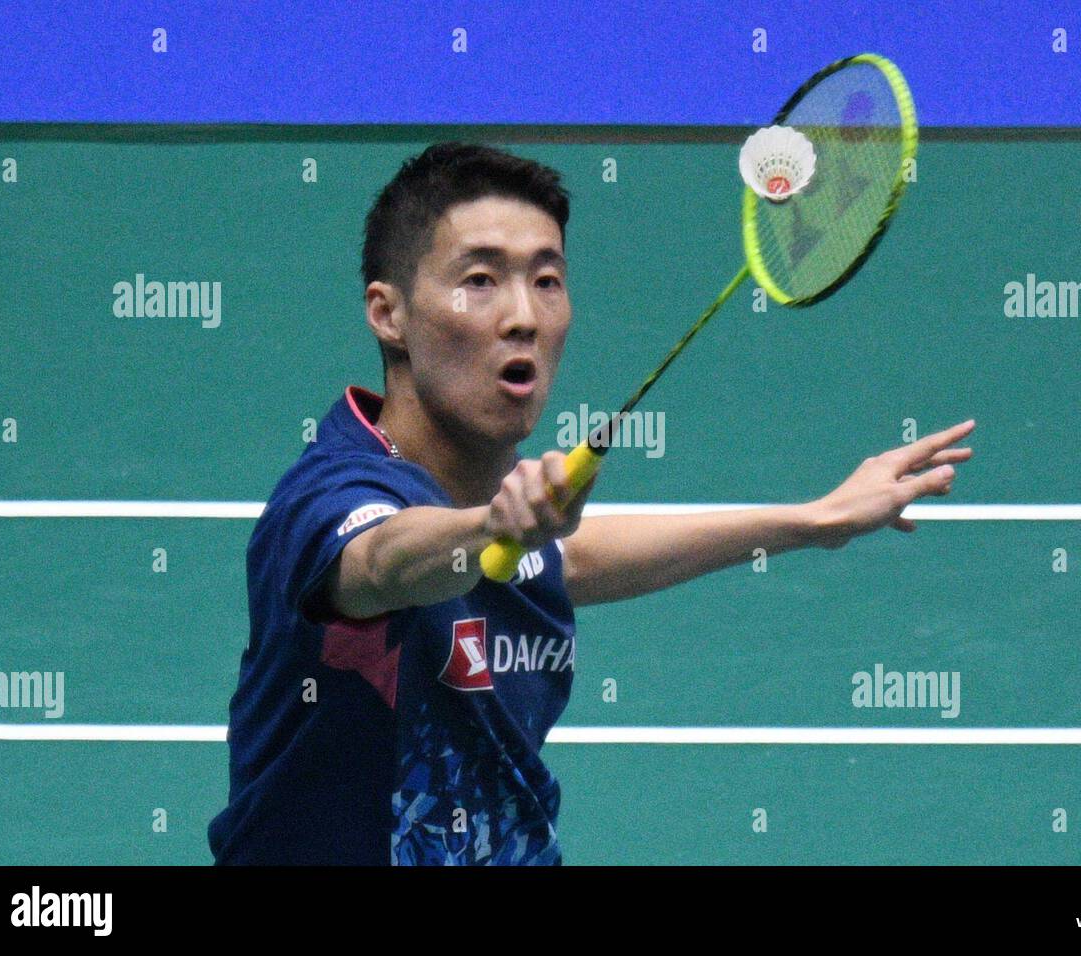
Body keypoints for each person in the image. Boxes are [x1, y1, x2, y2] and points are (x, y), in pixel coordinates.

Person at [208, 142, 975, 865]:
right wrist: (490, 529)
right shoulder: (331, 496)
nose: (524, 316)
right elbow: (383, 561)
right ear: (389, 313)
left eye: (547, 280)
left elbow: (571, 558)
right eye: (480, 280)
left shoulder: (512, 513)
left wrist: (817, 521)